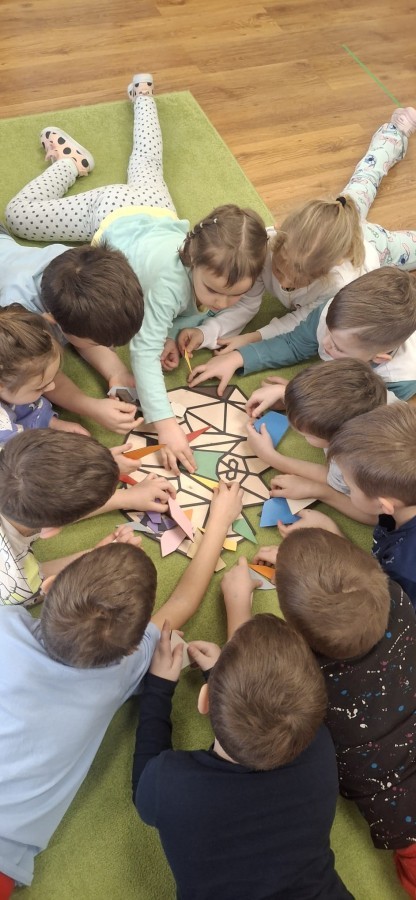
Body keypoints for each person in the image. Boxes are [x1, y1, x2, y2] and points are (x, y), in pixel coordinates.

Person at [4, 73, 268, 474]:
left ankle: (143, 97)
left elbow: (83, 335)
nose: (221, 303)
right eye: (215, 291)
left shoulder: (73, 279)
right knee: (18, 216)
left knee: (147, 162)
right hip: (113, 210)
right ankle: (70, 163)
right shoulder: (19, 324)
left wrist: (115, 370)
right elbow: (39, 374)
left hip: (147, 209)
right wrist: (102, 407)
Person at [0, 479, 243, 897]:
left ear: (51, 589)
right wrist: (219, 522)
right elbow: (182, 603)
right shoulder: (121, 670)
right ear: (134, 647)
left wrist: (89, 561)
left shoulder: (6, 622)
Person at [132, 557, 353, 900]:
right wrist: (219, 675)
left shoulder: (170, 787)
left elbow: (143, 783)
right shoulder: (319, 747)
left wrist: (159, 687)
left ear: (205, 701)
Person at [177, 106, 416, 358]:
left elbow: (300, 322)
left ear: (328, 269)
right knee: (364, 178)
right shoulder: (264, 248)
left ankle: (395, 133)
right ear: (279, 237)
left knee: (372, 186)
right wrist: (208, 332)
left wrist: (251, 338)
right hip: (340, 217)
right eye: (280, 270)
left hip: (374, 244)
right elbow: (247, 302)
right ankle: (395, 132)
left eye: (301, 280)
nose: (285, 283)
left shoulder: (337, 283)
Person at [268, 528, 416, 900]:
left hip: (402, 811)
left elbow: (252, 675)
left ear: (295, 629)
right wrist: (301, 577)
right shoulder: (397, 597)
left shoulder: (297, 669)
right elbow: (355, 586)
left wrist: (239, 603)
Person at [0, 428, 177, 606]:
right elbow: (41, 580)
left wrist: (104, 471)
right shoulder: (17, 583)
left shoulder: (7, 458)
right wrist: (93, 560)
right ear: (50, 531)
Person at [187, 267, 416, 400]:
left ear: (378, 358)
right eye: (328, 332)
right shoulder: (333, 312)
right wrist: (237, 358)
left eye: (338, 347)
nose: (325, 343)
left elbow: (349, 413)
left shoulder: (396, 381)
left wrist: (294, 396)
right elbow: (293, 344)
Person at [245, 358, 389, 524]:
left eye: (307, 434)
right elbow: (336, 396)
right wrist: (288, 396)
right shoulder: (373, 400)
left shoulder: (353, 461)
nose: (297, 430)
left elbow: (375, 517)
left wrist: (271, 457)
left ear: (337, 440)